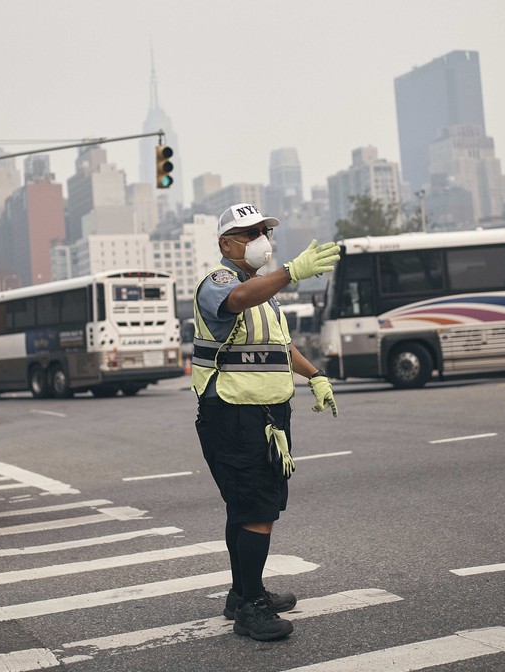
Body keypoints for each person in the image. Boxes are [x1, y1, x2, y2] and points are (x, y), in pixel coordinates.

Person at [192, 203, 340, 641]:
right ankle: (251, 609)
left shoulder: (263, 291)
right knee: (256, 509)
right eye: (251, 232)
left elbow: (280, 346)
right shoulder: (220, 283)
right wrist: (293, 272)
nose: (262, 239)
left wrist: (316, 375)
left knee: (249, 507)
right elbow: (235, 301)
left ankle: (243, 592)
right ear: (226, 244)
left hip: (267, 415)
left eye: (264, 230)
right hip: (235, 416)